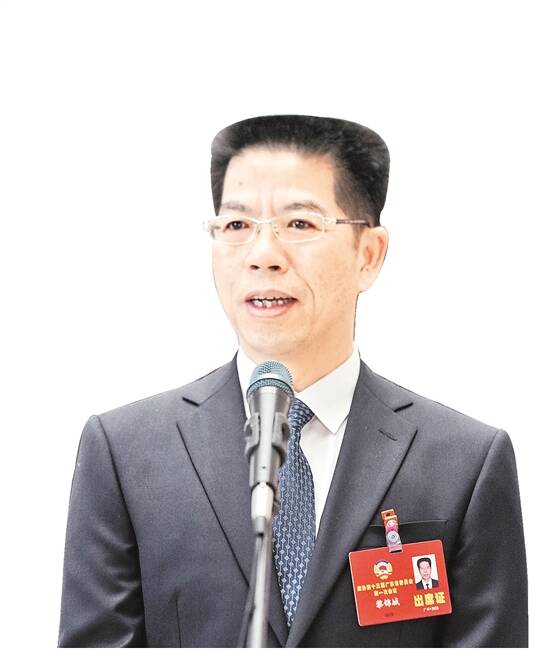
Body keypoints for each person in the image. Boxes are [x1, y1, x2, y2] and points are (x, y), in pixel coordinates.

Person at [58, 115, 528, 647]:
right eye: (237, 226)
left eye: (300, 224)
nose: (263, 256)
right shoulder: (127, 453)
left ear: (368, 255)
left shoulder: (464, 462)